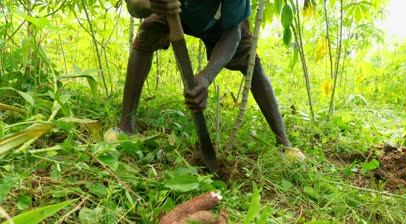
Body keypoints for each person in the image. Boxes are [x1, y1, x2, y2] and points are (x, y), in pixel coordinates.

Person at [119, 0, 305, 158]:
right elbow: (134, 5)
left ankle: (284, 143)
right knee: (147, 33)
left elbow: (234, 33)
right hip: (171, 14)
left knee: (250, 63)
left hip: (222, 23)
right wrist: (152, 3)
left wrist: (206, 77)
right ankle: (126, 125)